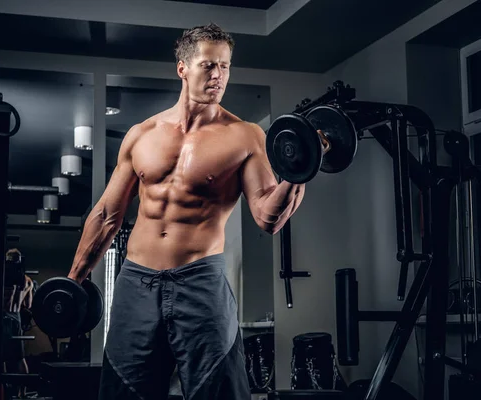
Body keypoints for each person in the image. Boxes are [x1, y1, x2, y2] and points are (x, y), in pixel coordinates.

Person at [67, 23, 306, 400]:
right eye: (209, 66)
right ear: (182, 68)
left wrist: (298, 171)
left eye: (225, 67)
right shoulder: (141, 134)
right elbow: (106, 217)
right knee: (123, 390)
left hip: (200, 280)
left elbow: (267, 216)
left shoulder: (244, 136)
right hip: (136, 280)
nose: (218, 76)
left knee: (219, 389)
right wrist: (73, 282)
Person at [3, 249, 34, 398]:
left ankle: (2, 393)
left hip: (2, 316)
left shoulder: (1, 275)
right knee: (20, 358)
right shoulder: (27, 280)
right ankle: (23, 393)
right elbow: (28, 305)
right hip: (16, 318)